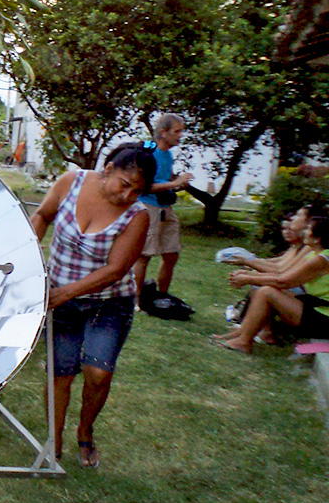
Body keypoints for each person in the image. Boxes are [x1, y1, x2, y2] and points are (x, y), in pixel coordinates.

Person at [31, 142, 156, 468]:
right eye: (125, 184)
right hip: (61, 297)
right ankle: (53, 440)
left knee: (98, 372)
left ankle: (85, 430)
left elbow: (115, 270)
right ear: (109, 169)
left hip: (109, 302)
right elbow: (43, 216)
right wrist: (26, 258)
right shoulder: (70, 182)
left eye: (137, 191)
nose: (128, 195)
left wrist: (64, 294)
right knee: (60, 373)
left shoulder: (138, 216)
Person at [215, 206, 329, 354]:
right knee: (267, 289)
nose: (305, 232)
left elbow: (284, 281)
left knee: (267, 292)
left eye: (309, 229)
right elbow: (283, 276)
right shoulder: (315, 255)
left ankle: (244, 341)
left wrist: (248, 278)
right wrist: (251, 276)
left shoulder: (322, 259)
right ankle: (242, 334)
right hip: (315, 308)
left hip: (324, 319)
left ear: (317, 238)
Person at [134, 113, 193, 304]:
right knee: (144, 256)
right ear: (163, 132)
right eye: (177, 131)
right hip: (150, 208)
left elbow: (164, 181)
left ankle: (162, 296)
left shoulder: (168, 155)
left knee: (171, 254)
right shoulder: (150, 155)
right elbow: (146, 186)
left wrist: (176, 183)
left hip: (166, 208)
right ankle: (135, 301)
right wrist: (174, 183)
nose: (180, 136)